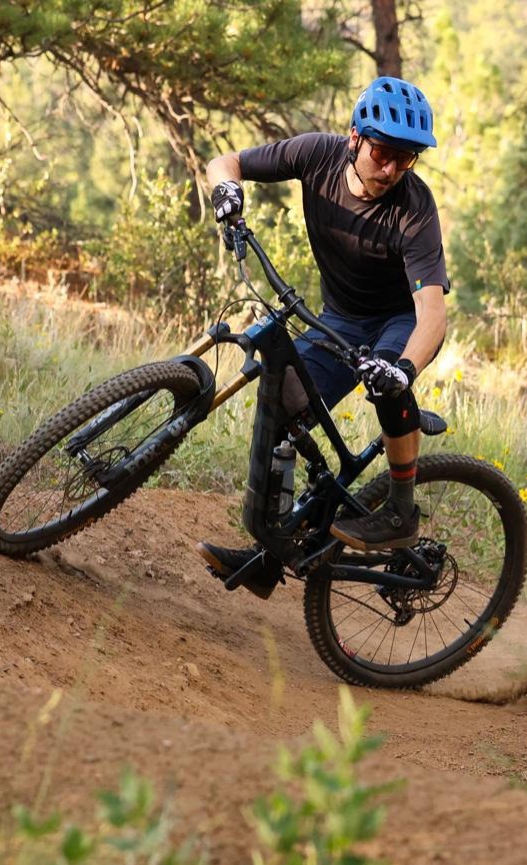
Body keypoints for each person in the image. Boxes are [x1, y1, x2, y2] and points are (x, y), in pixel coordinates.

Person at [194, 76, 448, 594]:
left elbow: (432, 315)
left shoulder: (415, 208)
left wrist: (403, 368)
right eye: (382, 153)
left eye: (406, 158)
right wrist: (227, 192)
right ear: (355, 138)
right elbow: (227, 162)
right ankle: (273, 552)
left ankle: (400, 511)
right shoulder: (316, 155)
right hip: (339, 319)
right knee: (282, 407)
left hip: (397, 321)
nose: (391, 169)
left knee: (389, 384)